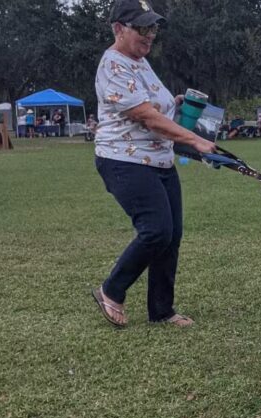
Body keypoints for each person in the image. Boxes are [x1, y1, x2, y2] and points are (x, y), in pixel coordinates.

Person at [91, 0, 216, 327]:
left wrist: (175, 105)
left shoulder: (140, 61)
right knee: (157, 230)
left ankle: (161, 311)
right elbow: (146, 116)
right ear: (119, 29)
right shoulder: (113, 66)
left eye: (153, 29)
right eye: (142, 29)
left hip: (159, 160)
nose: (150, 36)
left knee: (171, 235)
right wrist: (194, 141)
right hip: (124, 160)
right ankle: (111, 290)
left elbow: (156, 106)